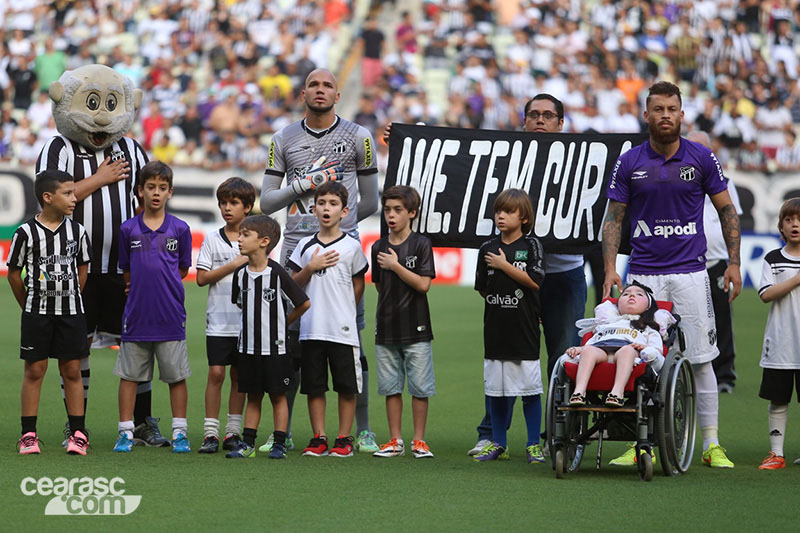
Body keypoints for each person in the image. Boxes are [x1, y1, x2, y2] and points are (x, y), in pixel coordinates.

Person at [602, 81, 742, 468]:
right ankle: (637, 441)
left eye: (672, 109)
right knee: (635, 356)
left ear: (682, 115)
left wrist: (733, 262)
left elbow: (728, 210)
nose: (665, 115)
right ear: (646, 115)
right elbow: (614, 218)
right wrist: (611, 268)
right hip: (643, 278)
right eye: (658, 109)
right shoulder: (630, 161)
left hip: (691, 274)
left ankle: (711, 445)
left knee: (700, 358)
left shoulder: (701, 157)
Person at [35, 65, 165, 448]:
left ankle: (142, 423)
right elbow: (52, 202)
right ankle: (77, 425)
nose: (103, 118)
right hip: (76, 269)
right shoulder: (56, 148)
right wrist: (100, 178)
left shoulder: (131, 148)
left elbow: (147, 202)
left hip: (125, 268)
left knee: (138, 345)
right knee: (76, 349)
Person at [260, 68, 380, 454]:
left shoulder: (359, 137)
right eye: (313, 84)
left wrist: (338, 232)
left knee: (351, 344)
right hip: (296, 253)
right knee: (292, 345)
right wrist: (301, 186)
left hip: (343, 257)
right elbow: (266, 202)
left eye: (327, 85)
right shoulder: (283, 138)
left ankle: (362, 430)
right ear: (303, 93)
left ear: (337, 94)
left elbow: (371, 201)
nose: (320, 90)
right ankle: (286, 431)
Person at [468, 94, 586, 455]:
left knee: (564, 356)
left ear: (561, 124)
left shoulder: (580, 161)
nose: (540, 120)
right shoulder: (509, 161)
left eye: (548, 116)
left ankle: (558, 435)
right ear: (524, 121)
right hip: (509, 277)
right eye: (533, 114)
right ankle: (493, 434)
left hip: (563, 274)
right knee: (503, 355)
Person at [7, 170, 92, 455]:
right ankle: (28, 434)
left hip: (71, 312)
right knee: (35, 369)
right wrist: (28, 305)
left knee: (71, 369)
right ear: (48, 197)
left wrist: (71, 298)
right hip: (37, 313)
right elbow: (14, 275)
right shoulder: (25, 233)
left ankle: (78, 433)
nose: (74, 198)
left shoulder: (77, 231)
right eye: (67, 193)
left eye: (73, 192)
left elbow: (82, 269)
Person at [112, 161, 193, 454]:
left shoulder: (180, 229)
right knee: (129, 376)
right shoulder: (128, 229)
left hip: (170, 316)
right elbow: (126, 271)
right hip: (136, 317)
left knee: (176, 377)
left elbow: (182, 269)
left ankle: (180, 433)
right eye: (150, 187)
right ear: (140, 191)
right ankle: (125, 433)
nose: (156, 193)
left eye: (162, 188)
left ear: (170, 192)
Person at [287, 182, 369, 458]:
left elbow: (359, 284)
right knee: (315, 386)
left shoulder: (352, 247)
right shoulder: (304, 246)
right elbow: (293, 285)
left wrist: (345, 309)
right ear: (313, 209)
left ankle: (344, 438)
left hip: (342, 330)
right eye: (321, 203)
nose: (326, 208)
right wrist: (310, 267)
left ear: (344, 211)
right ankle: (318, 437)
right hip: (311, 329)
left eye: (333, 204)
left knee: (347, 387)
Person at [225, 215, 310, 459]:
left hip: (276, 349)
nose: (239, 239)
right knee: (253, 396)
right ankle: (248, 444)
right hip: (249, 349)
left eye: (245, 235)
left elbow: (303, 303)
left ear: (264, 241)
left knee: (277, 396)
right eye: (239, 234)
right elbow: (241, 304)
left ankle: (280, 443)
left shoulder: (278, 274)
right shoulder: (240, 274)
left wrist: (284, 323)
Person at [473, 189, 546, 464]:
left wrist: (504, 266)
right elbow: (482, 288)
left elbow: (536, 281)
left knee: (529, 390)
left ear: (523, 217)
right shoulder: (486, 248)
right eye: (498, 211)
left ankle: (533, 444)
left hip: (524, 328)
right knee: (496, 389)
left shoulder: (532, 246)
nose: (500, 216)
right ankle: (498, 443)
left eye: (508, 212)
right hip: (495, 329)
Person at [371, 185, 436, 459]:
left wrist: (396, 266)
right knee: (391, 388)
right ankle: (395, 440)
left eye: (398, 210)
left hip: (417, 328)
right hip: (386, 328)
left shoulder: (421, 244)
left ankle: (418, 440)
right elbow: (379, 286)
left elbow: (423, 285)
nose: (391, 215)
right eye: (387, 210)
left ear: (412, 213)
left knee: (420, 388)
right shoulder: (377, 245)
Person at [195, 177, 255, 453]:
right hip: (218, 320)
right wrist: (233, 264)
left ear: (248, 207)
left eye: (234, 203)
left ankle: (232, 431)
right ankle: (210, 433)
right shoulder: (212, 239)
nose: (227, 208)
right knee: (216, 373)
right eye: (223, 203)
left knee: (240, 376)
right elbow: (202, 278)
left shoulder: (255, 240)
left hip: (247, 323)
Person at [687, 130, 743, 394]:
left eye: (702, 147)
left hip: (716, 260)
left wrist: (735, 260)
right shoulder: (678, 178)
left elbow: (732, 217)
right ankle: (684, 370)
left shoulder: (724, 180)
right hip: (685, 260)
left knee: (721, 316)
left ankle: (724, 374)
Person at [566, 282, 663, 407]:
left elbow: (657, 350)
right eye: (626, 294)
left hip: (629, 354)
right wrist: (580, 349)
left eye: (639, 294)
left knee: (626, 350)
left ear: (648, 307)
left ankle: (617, 393)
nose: (631, 296)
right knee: (588, 351)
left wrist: (645, 347)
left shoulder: (647, 328)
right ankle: (579, 392)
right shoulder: (606, 324)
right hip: (601, 351)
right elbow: (594, 341)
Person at [756, 198, 800, 470]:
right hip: (781, 341)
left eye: (799, 220)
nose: (795, 224)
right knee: (778, 398)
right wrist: (795, 279)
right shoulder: (772, 259)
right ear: (781, 226)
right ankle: (776, 454)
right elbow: (765, 294)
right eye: (789, 220)